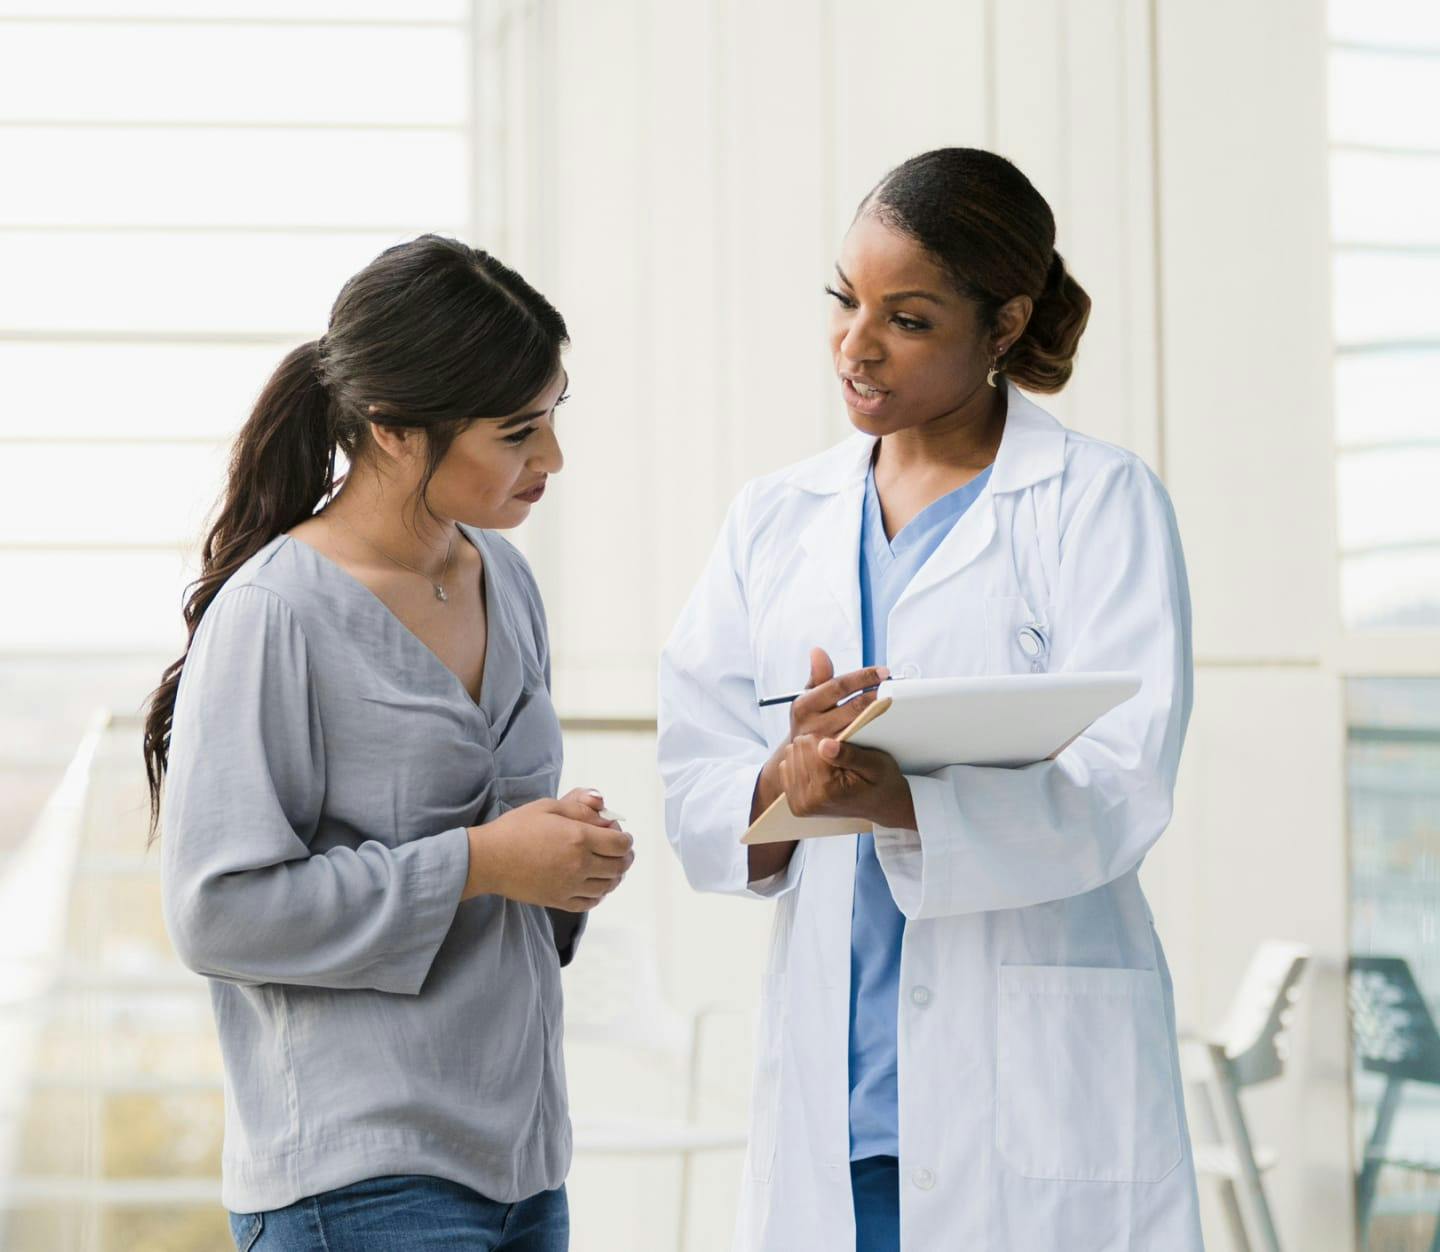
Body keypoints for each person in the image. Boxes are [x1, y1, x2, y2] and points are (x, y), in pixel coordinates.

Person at [657, 149, 1203, 1251]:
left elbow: (1124, 779)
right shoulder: (775, 517)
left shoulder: (1096, 501)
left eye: (906, 319)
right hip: (841, 1094)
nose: (856, 345)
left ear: (1005, 325)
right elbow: (697, 771)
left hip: (1029, 1089)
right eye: (844, 300)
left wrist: (902, 801)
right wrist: (787, 778)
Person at [143, 234, 634, 1251]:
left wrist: (561, 863)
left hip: (525, 1161)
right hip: (356, 1176)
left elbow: (501, 863)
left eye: (554, 416)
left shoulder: (506, 579)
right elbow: (216, 914)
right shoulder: (276, 613)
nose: (551, 458)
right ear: (395, 430)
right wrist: (483, 861)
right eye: (518, 431)